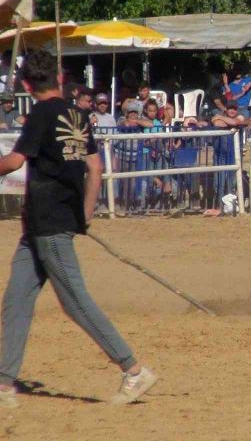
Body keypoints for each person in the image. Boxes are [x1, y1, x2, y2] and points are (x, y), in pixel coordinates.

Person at [0, 50, 157, 408]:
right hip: (41, 227)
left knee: (75, 302)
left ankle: (133, 370)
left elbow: (13, 162)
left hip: (49, 224)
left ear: (26, 84)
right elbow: (95, 169)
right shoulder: (78, 114)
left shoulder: (39, 115)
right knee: (16, 299)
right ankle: (4, 383)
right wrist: (84, 214)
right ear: (58, 78)